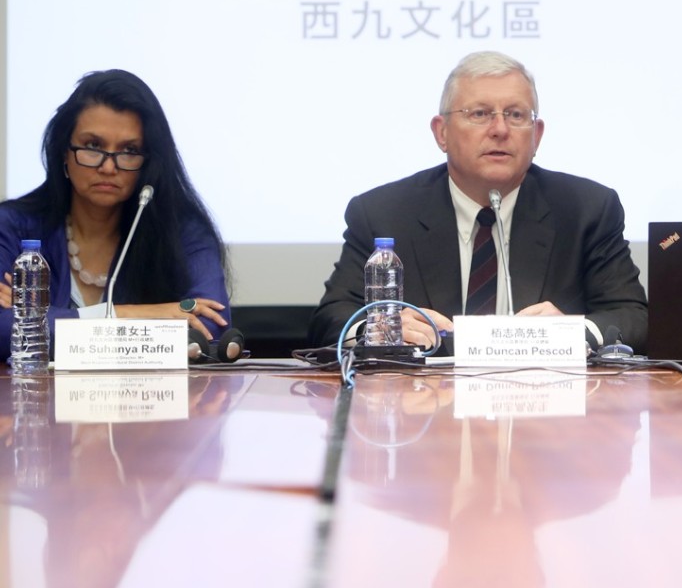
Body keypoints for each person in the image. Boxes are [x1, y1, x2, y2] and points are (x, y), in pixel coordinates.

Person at [309, 51, 648, 353]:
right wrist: (380, 330)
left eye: (516, 115)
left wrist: (572, 333)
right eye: (480, 114)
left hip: (545, 410)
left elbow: (632, 316)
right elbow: (330, 320)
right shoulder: (382, 212)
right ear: (441, 132)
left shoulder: (587, 209)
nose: (500, 129)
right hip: (422, 409)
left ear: (537, 135)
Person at [0, 69, 231, 360]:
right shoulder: (12, 226)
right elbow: (4, 328)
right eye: (93, 146)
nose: (109, 167)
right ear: (63, 152)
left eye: (129, 150)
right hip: (35, 402)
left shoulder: (183, 232)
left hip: (147, 402)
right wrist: (139, 315)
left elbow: (211, 328)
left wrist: (45, 319)